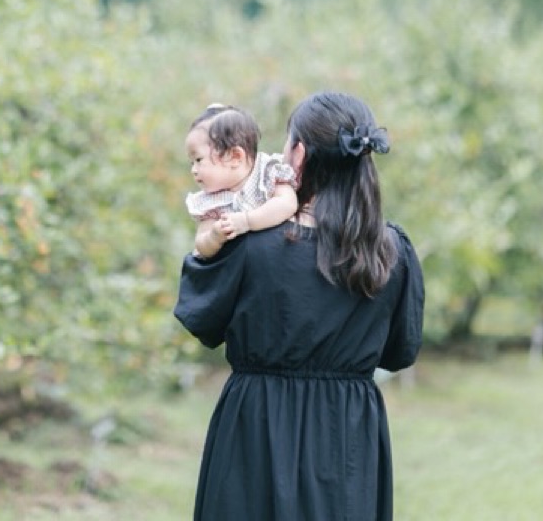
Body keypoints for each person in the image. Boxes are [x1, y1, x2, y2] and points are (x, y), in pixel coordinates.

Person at [174, 91, 425, 521]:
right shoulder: (391, 253)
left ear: (300, 155)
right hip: (347, 439)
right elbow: (400, 351)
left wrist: (208, 248)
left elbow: (202, 318)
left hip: (257, 430)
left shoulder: (253, 245)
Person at [185, 104, 299, 258]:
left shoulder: (267, 173)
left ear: (235, 157)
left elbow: (288, 203)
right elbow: (201, 245)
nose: (194, 170)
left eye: (198, 160)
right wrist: (214, 236)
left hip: (279, 258)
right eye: (192, 163)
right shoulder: (211, 202)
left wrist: (247, 221)